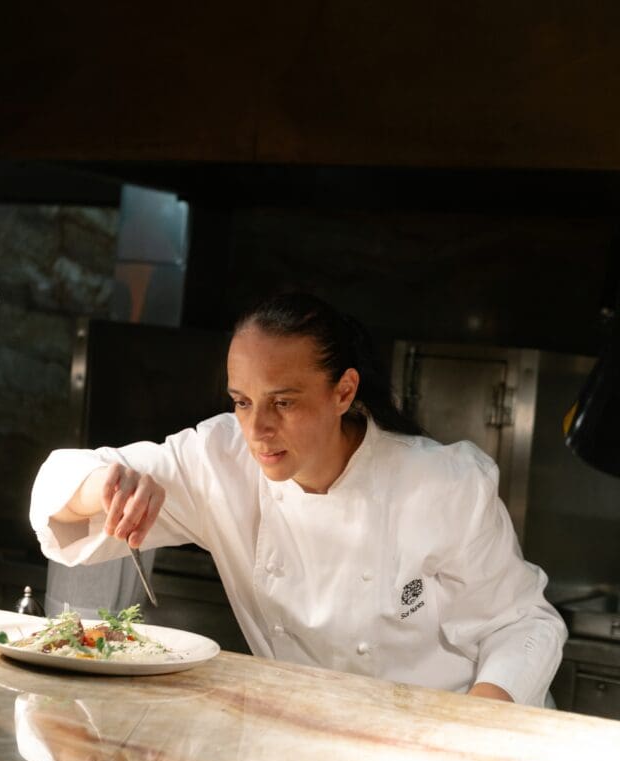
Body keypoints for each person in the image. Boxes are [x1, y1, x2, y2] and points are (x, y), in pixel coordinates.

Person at [29, 292, 567, 707]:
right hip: (313, 740)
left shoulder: (444, 483)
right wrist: (106, 487)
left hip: (452, 740)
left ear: (344, 392)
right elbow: (56, 485)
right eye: (242, 401)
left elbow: (525, 623)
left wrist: (477, 728)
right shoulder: (220, 460)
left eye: (283, 402)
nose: (257, 429)